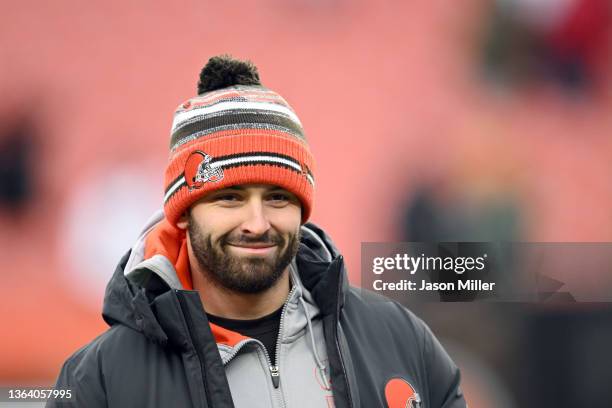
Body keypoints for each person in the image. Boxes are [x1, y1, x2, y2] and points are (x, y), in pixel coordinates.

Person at [48, 55, 467, 408]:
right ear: (182, 214)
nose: (257, 222)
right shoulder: (100, 380)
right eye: (229, 198)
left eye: (278, 198)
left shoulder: (400, 341)